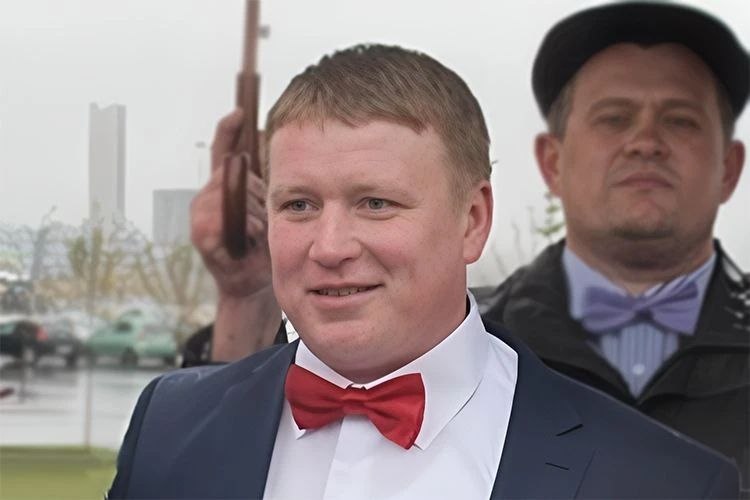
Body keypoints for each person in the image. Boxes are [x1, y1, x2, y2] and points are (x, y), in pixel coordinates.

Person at [109, 43, 738, 499]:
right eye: (299, 205)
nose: (329, 246)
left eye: (375, 203)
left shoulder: (661, 480)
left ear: (472, 219)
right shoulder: (168, 426)